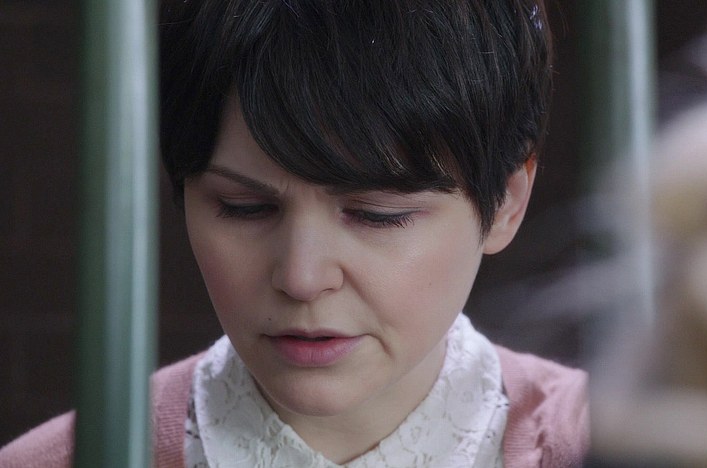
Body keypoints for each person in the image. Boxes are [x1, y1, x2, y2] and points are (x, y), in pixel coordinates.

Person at [0, 0, 588, 466]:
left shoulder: (609, 442)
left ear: (507, 202)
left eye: (376, 214)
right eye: (244, 208)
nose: (302, 278)